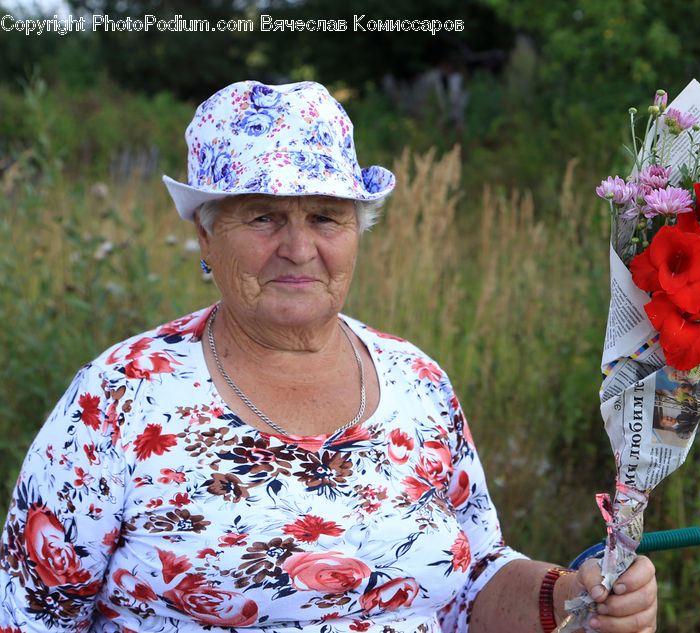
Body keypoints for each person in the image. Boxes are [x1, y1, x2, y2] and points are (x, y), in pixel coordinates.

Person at [0, 81, 656, 632]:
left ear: (356, 231)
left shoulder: (417, 380)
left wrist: (576, 594)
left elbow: (473, 576)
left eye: (324, 217)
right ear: (205, 231)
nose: (297, 246)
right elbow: (29, 615)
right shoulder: (119, 396)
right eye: (261, 217)